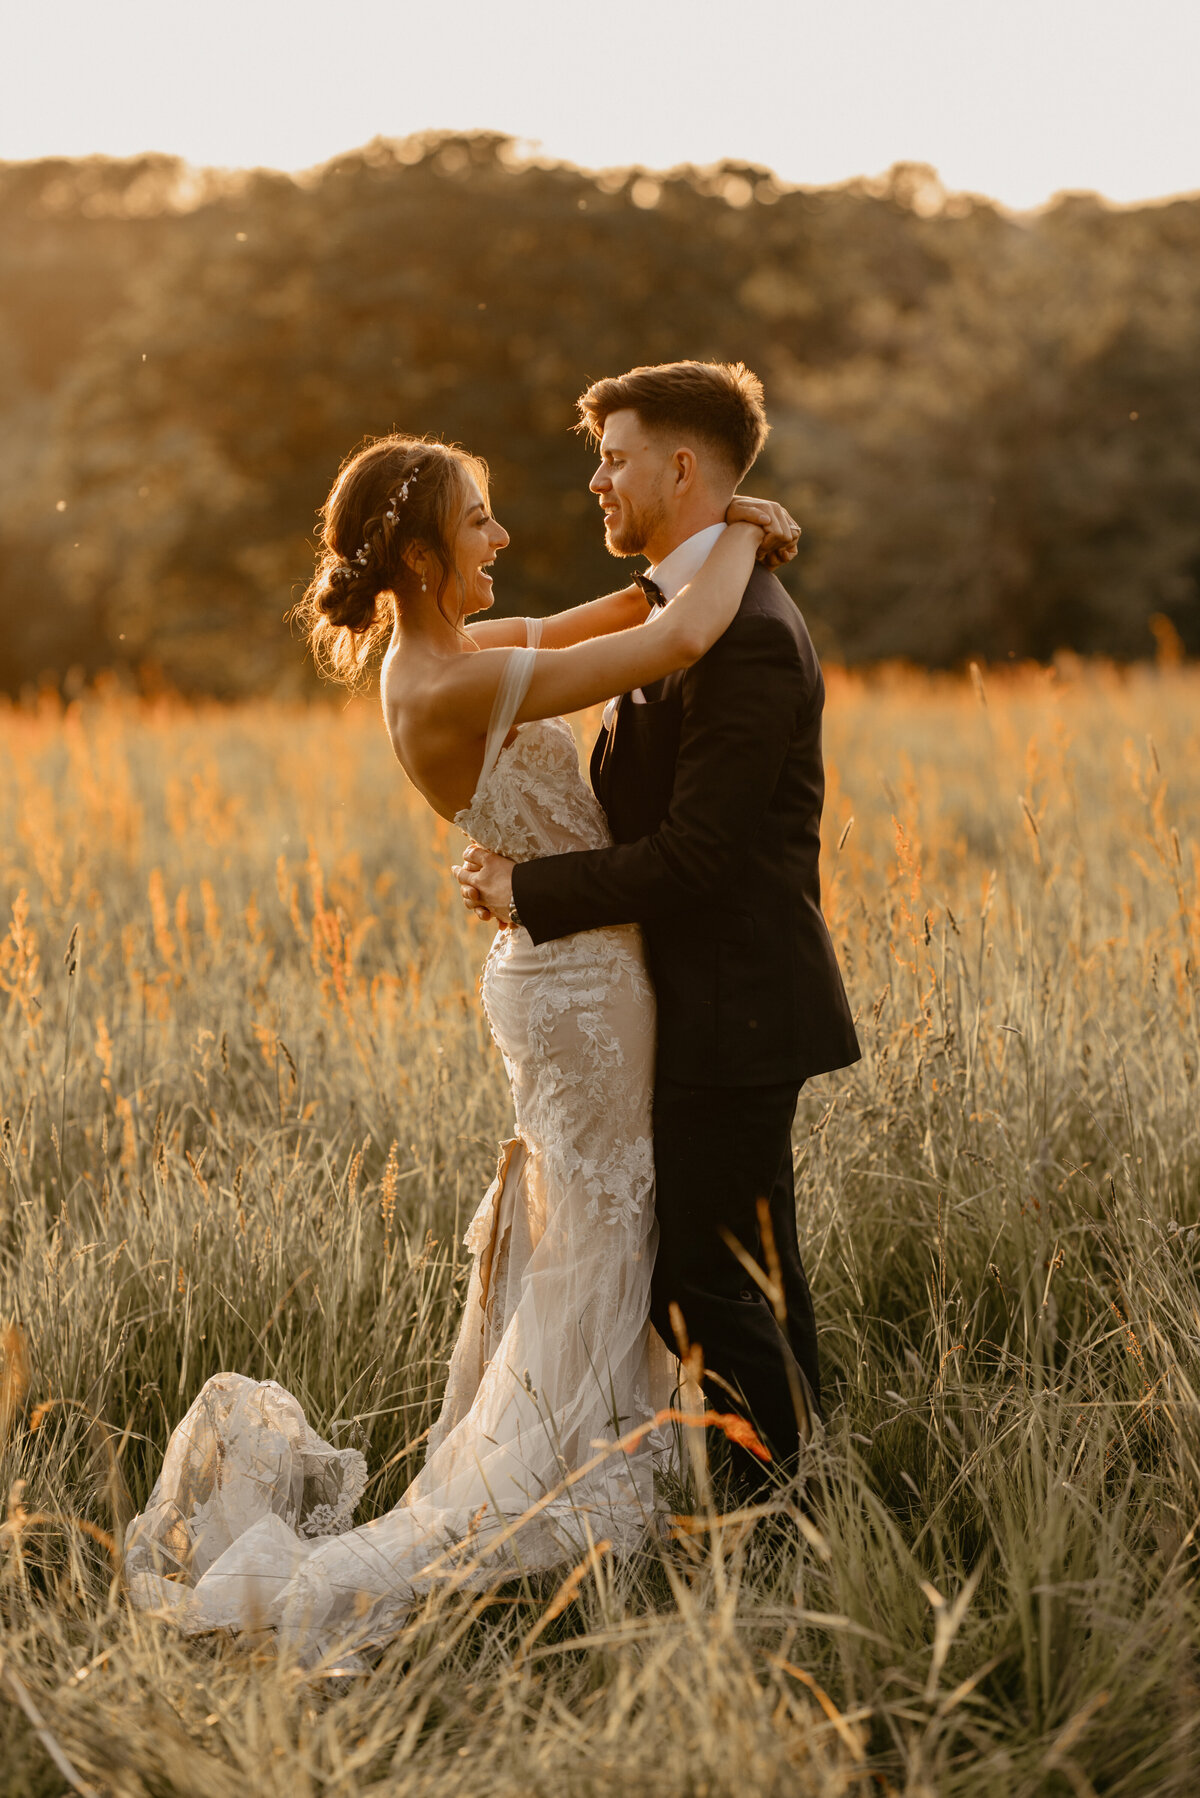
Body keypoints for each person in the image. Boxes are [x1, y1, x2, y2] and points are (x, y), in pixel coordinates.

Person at [123, 428, 800, 1655]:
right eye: (479, 521)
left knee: (606, 1228)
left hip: (561, 971)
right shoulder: (451, 680)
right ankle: (558, 1497)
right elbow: (668, 641)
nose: (501, 537)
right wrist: (743, 530)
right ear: (428, 555)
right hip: (583, 984)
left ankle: (609, 1463)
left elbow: (616, 607)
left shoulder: (450, 650)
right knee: (614, 1227)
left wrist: (706, 541)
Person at [457, 361, 860, 1497]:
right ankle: (795, 1506)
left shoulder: (747, 637)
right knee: (743, 1277)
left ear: (682, 469)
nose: (595, 480)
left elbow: (700, 857)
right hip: (696, 1001)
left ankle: (776, 1527)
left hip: (735, 1005)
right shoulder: (691, 609)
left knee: (711, 1283)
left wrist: (526, 891)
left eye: (616, 456)